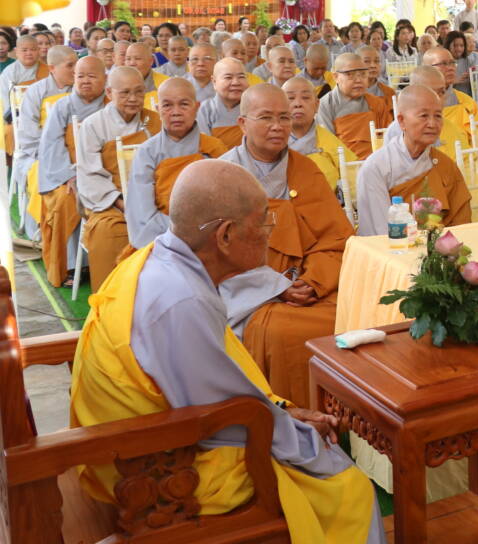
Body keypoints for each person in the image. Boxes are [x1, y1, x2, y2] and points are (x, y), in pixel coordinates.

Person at [69, 158, 384, 543]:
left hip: (131, 442)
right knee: (346, 486)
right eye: (263, 221)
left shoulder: (160, 260)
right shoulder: (180, 300)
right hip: (152, 469)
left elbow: (214, 392)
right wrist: (300, 435)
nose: (270, 233)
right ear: (226, 235)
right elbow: (226, 419)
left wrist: (283, 411)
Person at [215, 84, 353, 405]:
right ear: (242, 123)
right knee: (280, 331)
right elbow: (214, 257)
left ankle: (339, 414)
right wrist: (277, 287)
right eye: (266, 118)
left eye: (284, 118)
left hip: (308, 288)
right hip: (249, 297)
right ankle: (289, 417)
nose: (278, 127)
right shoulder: (221, 177)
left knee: (353, 314)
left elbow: (335, 240)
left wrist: (313, 282)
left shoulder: (306, 170)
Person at [78, 66, 161, 289]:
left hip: (154, 198)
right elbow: (90, 175)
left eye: (139, 91)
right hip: (111, 203)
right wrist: (124, 204)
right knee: (108, 233)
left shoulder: (154, 121)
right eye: (125, 93)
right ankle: (112, 298)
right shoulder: (93, 125)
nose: (133, 99)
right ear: (109, 93)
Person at [125, 77, 229, 250]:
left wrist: (204, 234)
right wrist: (184, 234)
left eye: (184, 104)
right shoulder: (147, 152)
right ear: (158, 109)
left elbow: (226, 203)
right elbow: (142, 214)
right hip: (160, 240)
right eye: (167, 105)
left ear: (196, 107)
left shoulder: (214, 148)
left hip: (209, 239)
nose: (176, 112)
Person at [357, 85, 472, 234]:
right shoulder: (376, 168)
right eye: (424, 116)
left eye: (438, 116)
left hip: (440, 245)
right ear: (402, 121)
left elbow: (462, 224)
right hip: (395, 246)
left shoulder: (445, 165)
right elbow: (381, 232)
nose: (432, 124)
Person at [36, 56, 106, 285]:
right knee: (66, 201)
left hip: (104, 173)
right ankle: (70, 266)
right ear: (73, 78)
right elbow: (51, 145)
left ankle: (102, 262)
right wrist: (71, 175)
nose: (85, 81)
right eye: (80, 76)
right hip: (66, 175)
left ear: (105, 79)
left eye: (92, 76)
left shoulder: (110, 106)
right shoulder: (62, 106)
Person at [14, 45, 78, 242]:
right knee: (44, 179)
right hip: (40, 154)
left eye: (76, 64)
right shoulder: (35, 92)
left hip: (76, 153)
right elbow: (29, 135)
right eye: (70, 66)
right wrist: (56, 155)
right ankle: (44, 230)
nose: (76, 70)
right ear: (52, 68)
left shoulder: (80, 90)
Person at [315, 53, 391, 159]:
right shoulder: (325, 105)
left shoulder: (377, 103)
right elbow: (329, 146)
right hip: (343, 164)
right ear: (336, 77)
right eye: (350, 75)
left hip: (376, 163)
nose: (358, 80)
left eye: (363, 74)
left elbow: (388, 139)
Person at [284, 77, 351, 191]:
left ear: (317, 105)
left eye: (305, 98)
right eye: (290, 98)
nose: (298, 104)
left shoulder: (330, 142)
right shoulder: (269, 144)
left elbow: (353, 177)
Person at [0, 34, 50, 155]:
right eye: (24, 50)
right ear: (16, 52)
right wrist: (13, 119)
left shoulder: (48, 70)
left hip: (44, 115)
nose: (29, 53)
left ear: (38, 51)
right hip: (18, 117)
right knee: (9, 133)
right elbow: (4, 99)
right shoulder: (10, 72)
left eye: (33, 49)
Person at [423, 46, 478, 147]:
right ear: (427, 69)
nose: (450, 68)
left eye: (452, 63)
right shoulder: (415, 105)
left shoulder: (466, 102)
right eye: (443, 64)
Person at [196, 57, 251, 149]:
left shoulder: (254, 107)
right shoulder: (205, 109)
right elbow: (204, 146)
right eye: (228, 77)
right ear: (214, 82)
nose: (236, 82)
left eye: (241, 77)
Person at [357, 45, 395, 110]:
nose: (373, 65)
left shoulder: (388, 92)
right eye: (367, 61)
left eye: (377, 61)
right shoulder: (349, 92)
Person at [444, 31, 478, 96]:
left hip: (466, 99)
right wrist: (452, 82)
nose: (459, 49)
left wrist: (472, 76)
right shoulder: (441, 62)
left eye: (461, 46)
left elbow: (476, 84)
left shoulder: (468, 61)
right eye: (455, 45)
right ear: (448, 45)